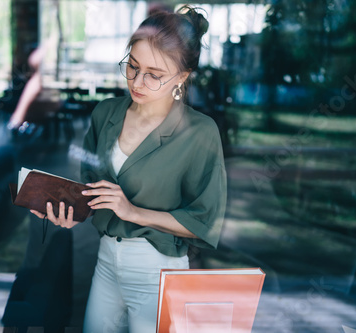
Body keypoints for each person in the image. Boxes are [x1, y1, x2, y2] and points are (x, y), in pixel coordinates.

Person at [30, 5, 227, 332]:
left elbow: (204, 222)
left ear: (182, 77)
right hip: (106, 264)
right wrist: (67, 209)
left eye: (154, 74)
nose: (137, 81)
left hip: (158, 271)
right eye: (132, 66)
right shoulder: (105, 113)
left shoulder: (199, 133)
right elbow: (94, 192)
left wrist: (134, 212)